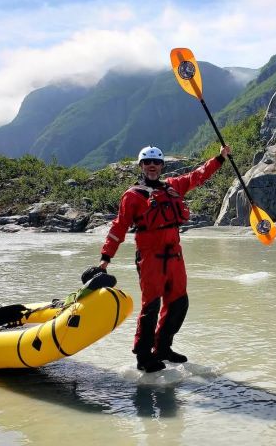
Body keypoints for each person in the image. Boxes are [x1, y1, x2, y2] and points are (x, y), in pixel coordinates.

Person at [98, 144, 230, 373]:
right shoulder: (132, 196)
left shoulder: (173, 186)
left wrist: (219, 158)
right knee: (151, 306)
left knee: (179, 303)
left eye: (156, 162)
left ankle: (162, 348)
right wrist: (105, 258)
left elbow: (197, 176)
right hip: (150, 256)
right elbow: (118, 227)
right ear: (141, 166)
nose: (152, 166)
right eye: (147, 162)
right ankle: (143, 355)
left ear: (161, 166)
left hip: (174, 255)